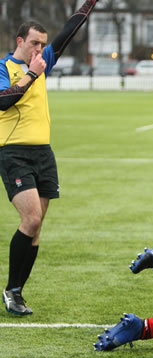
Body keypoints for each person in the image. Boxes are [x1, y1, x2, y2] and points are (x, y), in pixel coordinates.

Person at [0, 0, 99, 316]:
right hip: (13, 151)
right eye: (33, 43)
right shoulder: (5, 68)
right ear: (20, 41)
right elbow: (4, 102)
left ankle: (17, 292)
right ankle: (11, 291)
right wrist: (31, 73)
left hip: (43, 153)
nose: (39, 49)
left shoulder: (42, 62)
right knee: (30, 219)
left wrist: (90, 3)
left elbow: (69, 31)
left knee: (37, 226)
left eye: (42, 44)